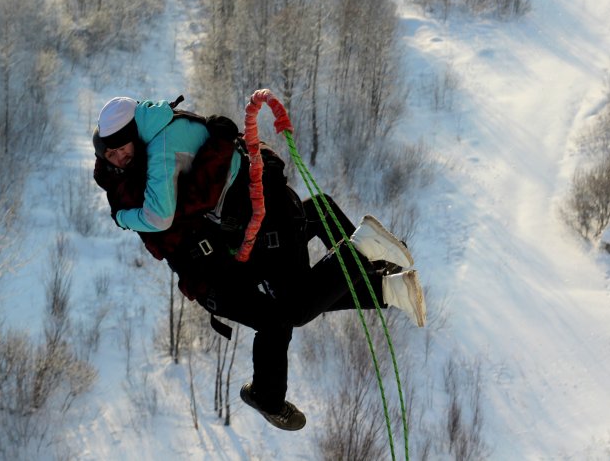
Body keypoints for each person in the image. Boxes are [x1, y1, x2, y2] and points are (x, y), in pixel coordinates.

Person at [93, 96, 426, 431]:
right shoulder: (172, 122)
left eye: (122, 148)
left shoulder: (148, 166)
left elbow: (159, 217)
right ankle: (387, 286)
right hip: (260, 213)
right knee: (296, 285)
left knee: (289, 311)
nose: (121, 156)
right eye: (112, 153)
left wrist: (122, 218)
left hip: (232, 252)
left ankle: (364, 251)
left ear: (134, 133)